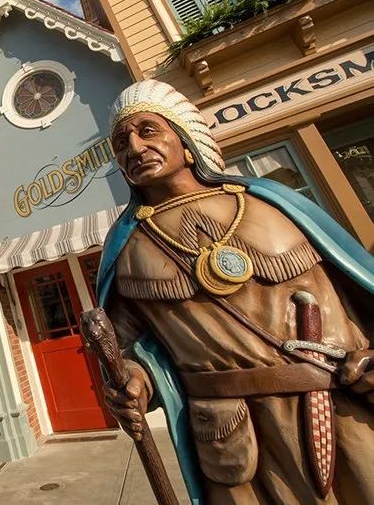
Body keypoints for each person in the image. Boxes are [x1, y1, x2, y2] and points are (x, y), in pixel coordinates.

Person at [94, 79, 374, 504]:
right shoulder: (128, 246)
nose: (133, 147)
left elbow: (357, 289)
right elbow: (131, 348)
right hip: (233, 433)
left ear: (185, 140)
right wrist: (133, 381)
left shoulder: (273, 203)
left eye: (148, 130)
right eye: (121, 143)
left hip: (339, 407)